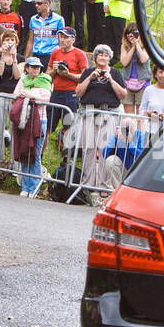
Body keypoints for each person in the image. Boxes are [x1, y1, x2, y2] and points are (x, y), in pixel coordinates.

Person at [75, 44, 128, 197]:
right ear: (95, 57)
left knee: (105, 149)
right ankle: (88, 183)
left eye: (106, 55)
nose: (103, 58)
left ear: (110, 58)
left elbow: (123, 94)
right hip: (90, 112)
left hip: (108, 113)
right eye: (100, 55)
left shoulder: (116, 73)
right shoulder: (88, 72)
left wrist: (110, 80)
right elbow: (78, 92)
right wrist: (90, 78)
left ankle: (104, 185)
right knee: (89, 149)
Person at [12, 57, 53, 198]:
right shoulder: (22, 80)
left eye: (38, 67)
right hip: (24, 120)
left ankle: (34, 187)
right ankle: (25, 186)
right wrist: (30, 96)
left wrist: (29, 95)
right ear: (27, 68)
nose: (36, 69)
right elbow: (16, 94)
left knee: (35, 154)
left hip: (40, 120)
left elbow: (45, 98)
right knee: (24, 153)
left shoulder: (45, 80)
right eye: (33, 67)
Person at [0, 30, 23, 170]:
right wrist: (3, 56)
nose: (9, 43)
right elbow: (0, 72)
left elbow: (17, 75)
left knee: (15, 130)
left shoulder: (21, 58)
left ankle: (16, 165)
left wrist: (13, 58)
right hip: (0, 94)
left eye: (12, 40)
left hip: (14, 97)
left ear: (16, 42)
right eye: (6, 40)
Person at [47, 26, 88, 136]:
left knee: (70, 127)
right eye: (61, 37)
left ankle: (67, 152)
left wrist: (68, 74)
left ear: (73, 39)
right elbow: (47, 76)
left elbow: (85, 77)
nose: (62, 40)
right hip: (55, 92)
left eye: (66, 37)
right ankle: (40, 152)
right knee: (48, 126)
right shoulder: (55, 53)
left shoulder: (79, 54)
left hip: (71, 93)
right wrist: (55, 70)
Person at [118, 22, 150, 115]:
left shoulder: (146, 45)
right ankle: (127, 130)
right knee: (128, 117)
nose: (130, 36)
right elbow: (124, 62)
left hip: (142, 82)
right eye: (128, 33)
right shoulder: (124, 46)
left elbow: (143, 59)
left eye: (134, 33)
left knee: (140, 116)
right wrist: (132, 47)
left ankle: (139, 130)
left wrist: (137, 45)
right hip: (127, 82)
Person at [25, 0, 64, 70]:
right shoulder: (33, 19)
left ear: (47, 4)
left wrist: (61, 56)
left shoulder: (58, 19)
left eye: (39, 3)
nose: (36, 5)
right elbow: (30, 40)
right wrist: (25, 58)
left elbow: (61, 41)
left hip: (51, 55)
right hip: (36, 55)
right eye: (35, 3)